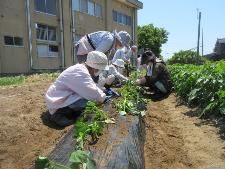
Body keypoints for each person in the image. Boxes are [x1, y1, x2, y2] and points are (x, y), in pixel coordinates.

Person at [45, 51, 110, 127]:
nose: (100, 71)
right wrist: (104, 98)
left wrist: (103, 91)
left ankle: (69, 112)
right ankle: (58, 115)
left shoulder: (81, 69)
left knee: (87, 99)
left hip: (61, 96)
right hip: (57, 101)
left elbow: (91, 86)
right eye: (100, 69)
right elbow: (92, 92)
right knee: (90, 101)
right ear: (95, 68)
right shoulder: (81, 72)